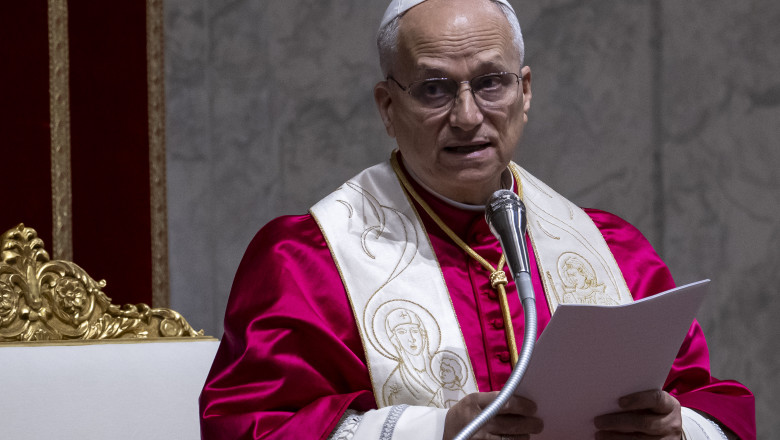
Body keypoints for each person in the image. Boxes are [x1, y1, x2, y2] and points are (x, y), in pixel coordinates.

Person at [199, 0, 755, 439]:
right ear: (387, 108)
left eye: (491, 82)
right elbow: (247, 425)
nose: (467, 117)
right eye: (434, 89)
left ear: (525, 91)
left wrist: (675, 427)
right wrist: (434, 432)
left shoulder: (614, 250)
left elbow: (711, 402)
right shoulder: (307, 261)